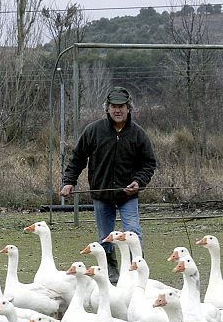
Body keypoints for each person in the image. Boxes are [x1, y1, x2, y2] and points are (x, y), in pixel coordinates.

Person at [60, 86, 157, 283]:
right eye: (113, 106)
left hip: (128, 195)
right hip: (101, 195)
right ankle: (111, 274)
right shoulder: (93, 131)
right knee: (105, 237)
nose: (117, 110)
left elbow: (148, 164)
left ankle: (137, 272)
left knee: (133, 232)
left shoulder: (138, 134)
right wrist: (69, 182)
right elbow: (78, 159)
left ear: (128, 108)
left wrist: (138, 182)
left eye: (121, 106)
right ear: (107, 108)